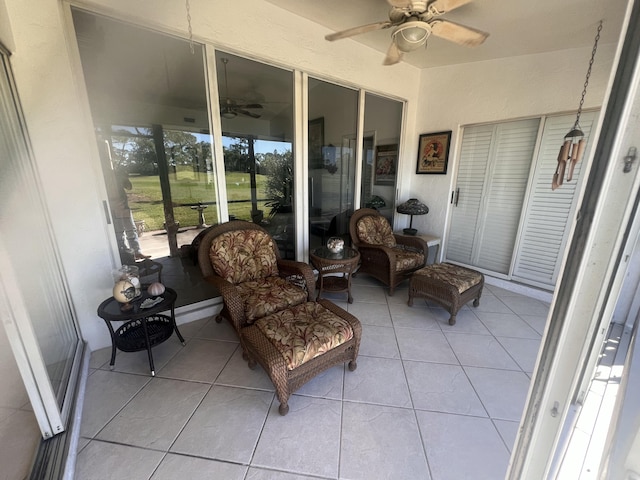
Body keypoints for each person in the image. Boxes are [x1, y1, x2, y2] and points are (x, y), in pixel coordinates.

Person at [111, 166, 149, 261]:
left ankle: (137, 252)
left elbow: (129, 187)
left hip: (124, 207)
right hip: (113, 208)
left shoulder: (118, 175)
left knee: (131, 229)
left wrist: (123, 176)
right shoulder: (105, 177)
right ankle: (125, 255)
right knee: (119, 233)